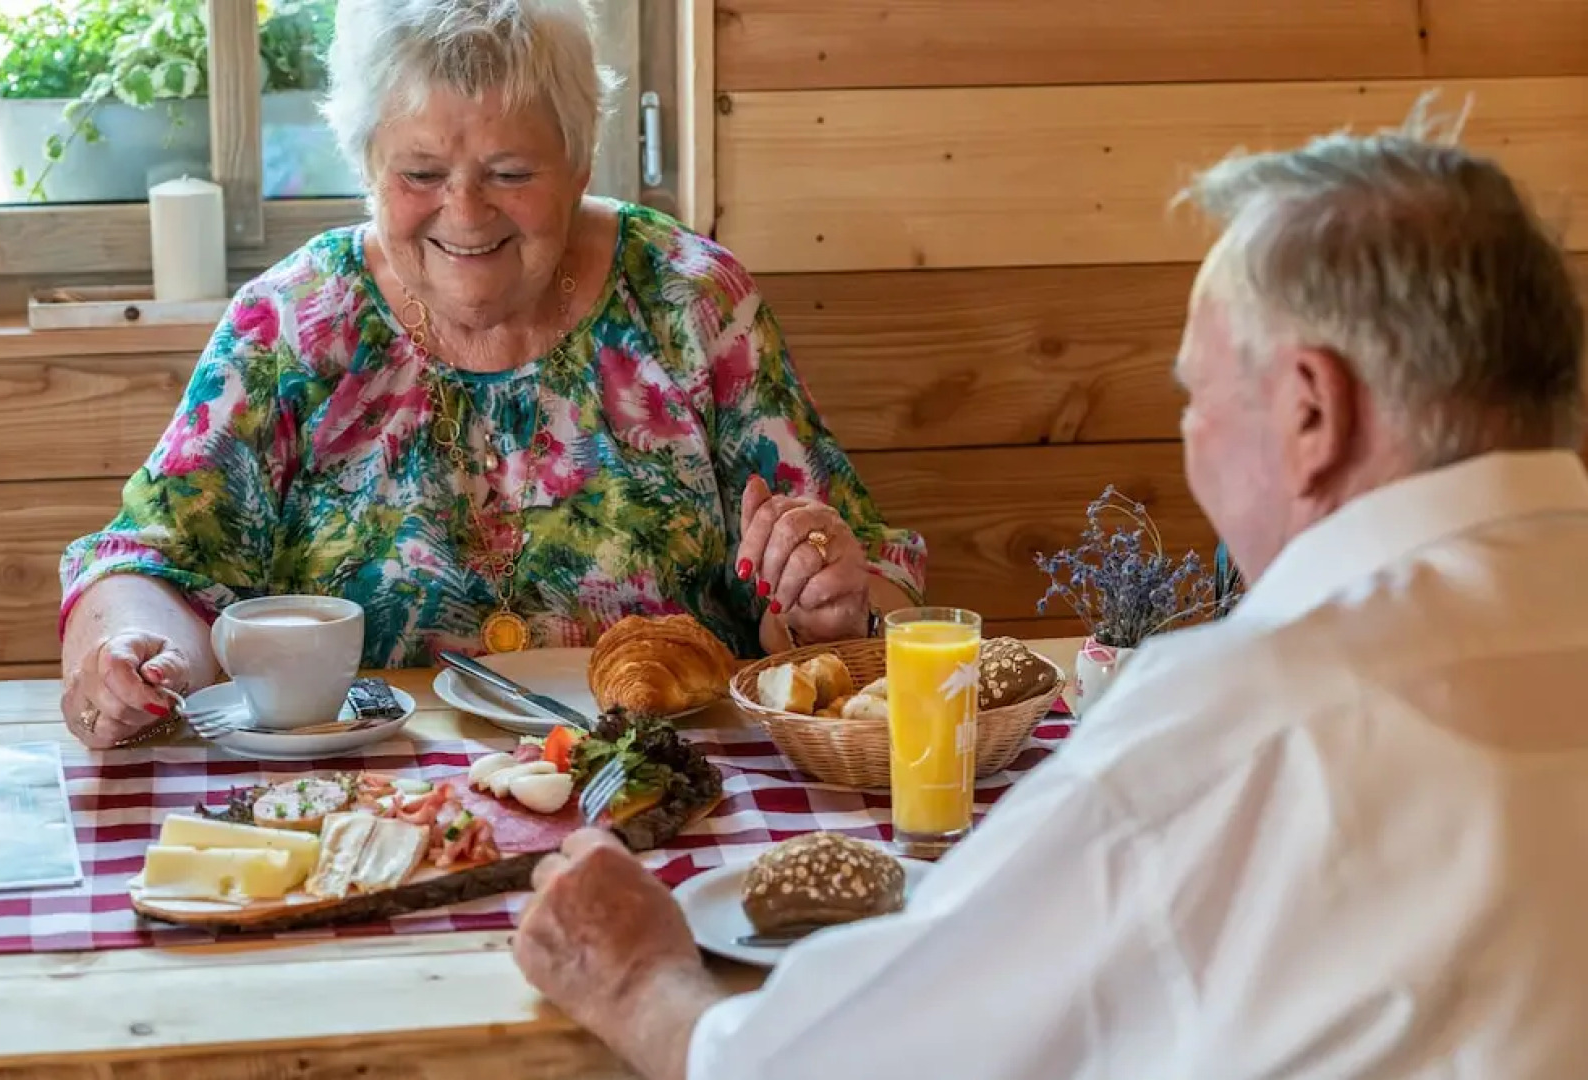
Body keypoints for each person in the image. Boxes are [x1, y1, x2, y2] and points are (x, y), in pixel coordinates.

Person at [512, 98, 1588, 1078]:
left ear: (1310, 412)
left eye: (1197, 396)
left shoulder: (1247, 722)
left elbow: (841, 1065)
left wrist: (637, 982)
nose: (1190, 438)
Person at [55, 0, 925, 749]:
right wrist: (132, 648)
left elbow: (845, 581)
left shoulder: (689, 301)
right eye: (421, 173)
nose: (465, 214)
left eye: (510, 173)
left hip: (667, 783)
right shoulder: (293, 324)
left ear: (581, 163)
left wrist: (827, 604)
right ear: (366, 168)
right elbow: (151, 561)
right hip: (366, 799)